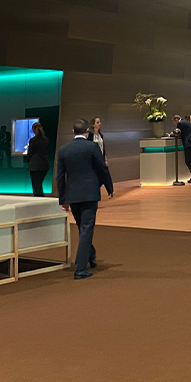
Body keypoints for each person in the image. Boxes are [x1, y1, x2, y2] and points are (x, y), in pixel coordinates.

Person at [56, 118, 114, 279]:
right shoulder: (92, 147)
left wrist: (63, 199)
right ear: (87, 131)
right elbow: (102, 168)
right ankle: (80, 269)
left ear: (73, 131)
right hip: (89, 193)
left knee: (83, 227)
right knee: (87, 229)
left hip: (72, 195)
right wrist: (109, 187)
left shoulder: (63, 150)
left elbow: (60, 177)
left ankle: (90, 254)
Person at [173, 114, 191, 183]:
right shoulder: (185, 122)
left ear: (176, 119)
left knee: (188, 161)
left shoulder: (180, 124)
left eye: (174, 122)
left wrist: (171, 135)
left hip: (189, 143)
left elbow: (178, 133)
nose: (175, 124)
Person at [25, 121, 50, 196]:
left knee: (36, 185)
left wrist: (28, 160)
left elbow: (30, 152)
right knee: (39, 183)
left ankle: (38, 198)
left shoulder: (33, 140)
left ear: (33, 129)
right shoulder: (46, 139)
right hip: (44, 164)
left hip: (35, 164)